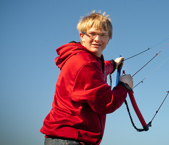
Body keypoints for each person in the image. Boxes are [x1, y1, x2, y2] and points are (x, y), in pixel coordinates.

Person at [40, 11, 133, 145]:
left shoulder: (89, 60)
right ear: (82, 36)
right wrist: (124, 86)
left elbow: (100, 69)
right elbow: (106, 103)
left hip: (67, 138)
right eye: (92, 34)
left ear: (108, 39)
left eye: (102, 35)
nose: (97, 39)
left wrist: (113, 64)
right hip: (70, 140)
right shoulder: (85, 63)